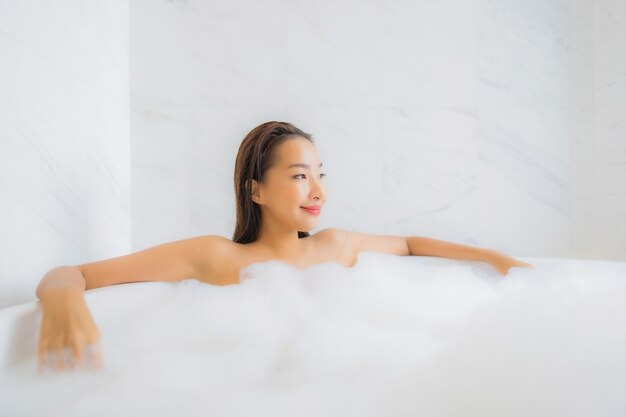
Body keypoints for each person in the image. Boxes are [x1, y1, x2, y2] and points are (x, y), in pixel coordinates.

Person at [35, 121, 533, 373]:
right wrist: (62, 299)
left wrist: (490, 257)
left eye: (320, 175)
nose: (318, 191)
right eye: (299, 176)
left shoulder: (335, 247)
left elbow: (408, 243)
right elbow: (72, 273)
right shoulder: (217, 257)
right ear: (256, 190)